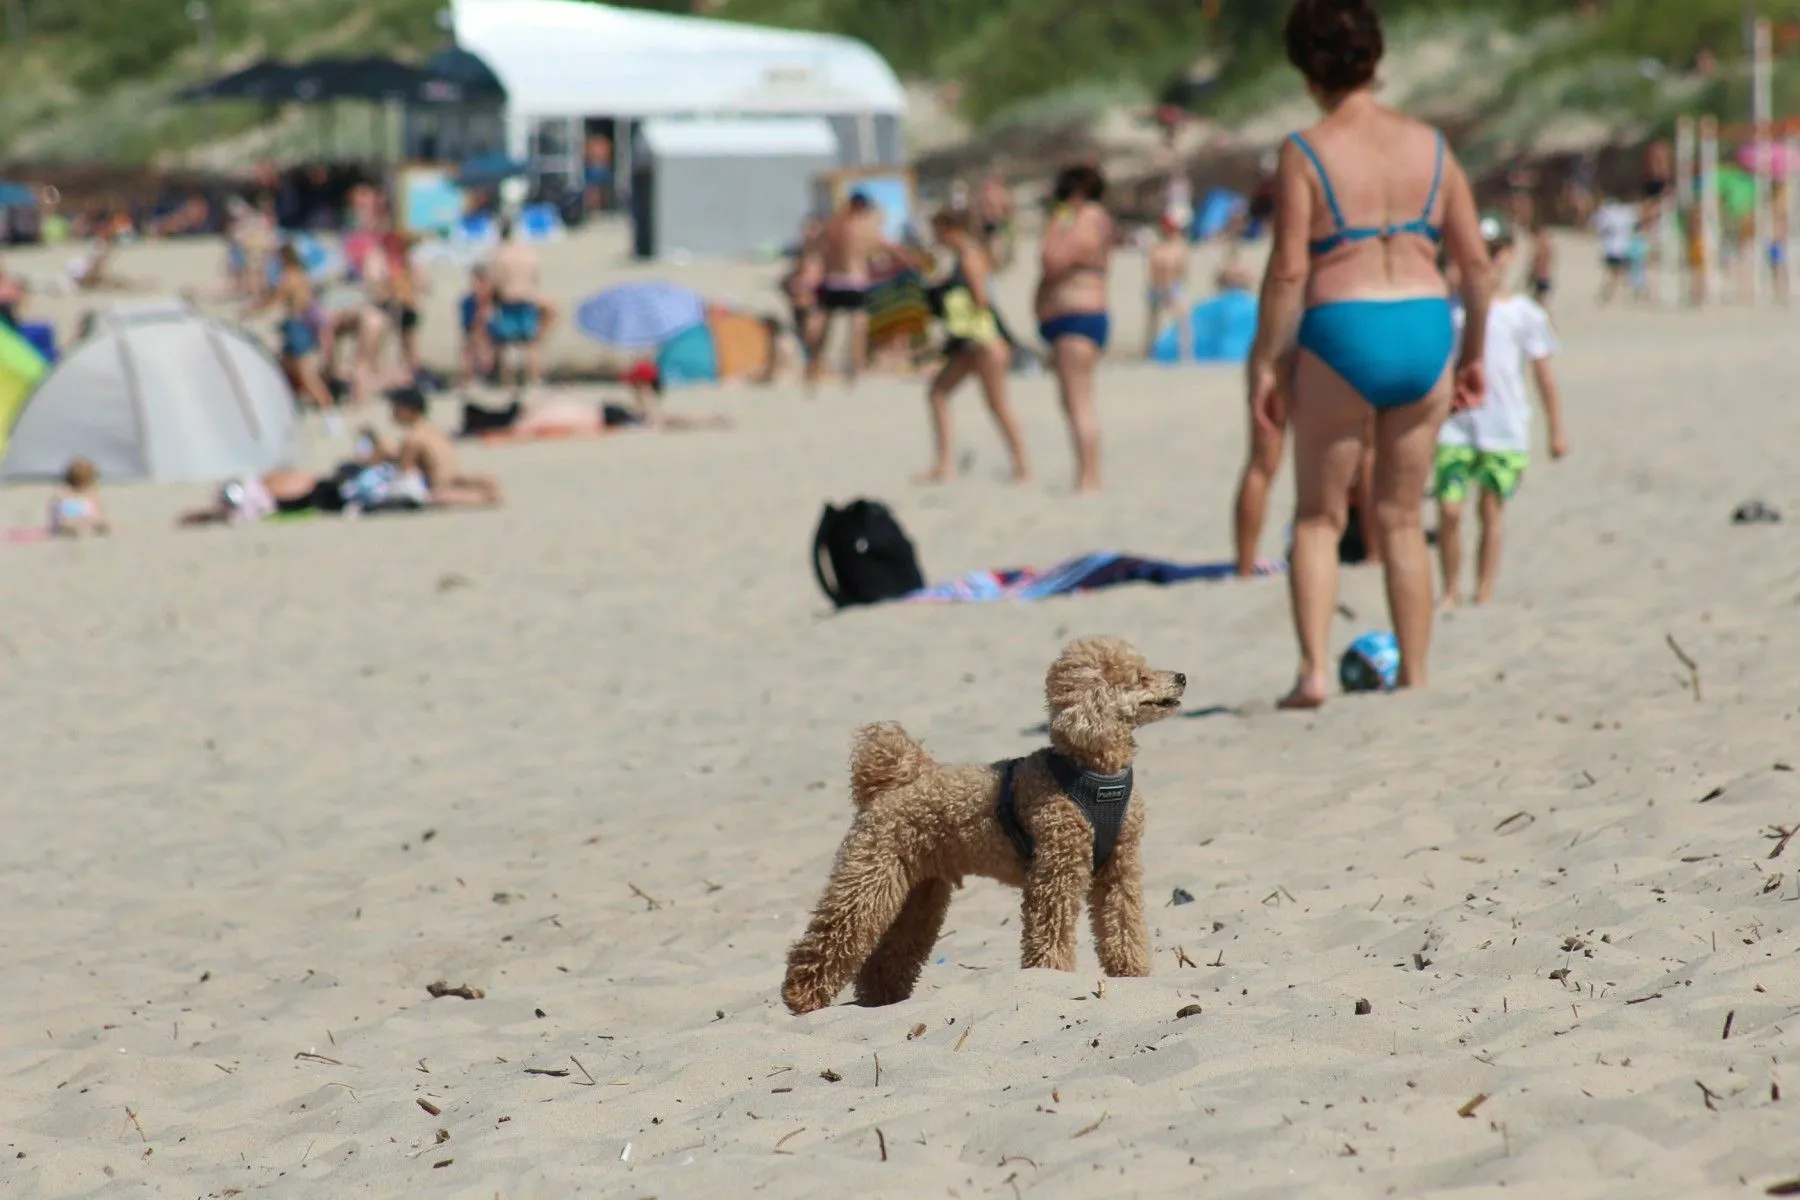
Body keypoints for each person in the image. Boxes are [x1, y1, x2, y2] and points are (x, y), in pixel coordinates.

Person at [1246, 0, 1492, 708]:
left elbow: (1288, 272)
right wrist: (1473, 355)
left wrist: (1267, 361)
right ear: (1375, 59)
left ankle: (1314, 674)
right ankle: (1414, 672)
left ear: (1305, 70)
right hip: (1424, 328)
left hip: (1343, 327)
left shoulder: (1306, 149)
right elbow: (1476, 267)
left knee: (1319, 518)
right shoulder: (1431, 145)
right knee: (1401, 516)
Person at [1435, 215, 1567, 609]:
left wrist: (1556, 429)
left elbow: (1544, 377)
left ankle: (1484, 589)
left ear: (1509, 255)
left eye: (1493, 252)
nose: (1485, 262)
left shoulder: (1525, 314)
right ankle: (1450, 589)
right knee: (1449, 510)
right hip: (1454, 427)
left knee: (1490, 510)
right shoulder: (1449, 309)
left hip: (1503, 427)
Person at [917, 208, 1031, 484]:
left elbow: (981, 300)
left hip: (983, 342)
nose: (935, 238)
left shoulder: (970, 256)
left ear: (949, 229)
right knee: (938, 393)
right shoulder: (963, 256)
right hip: (970, 343)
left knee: (997, 404)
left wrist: (951, 302)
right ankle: (944, 465)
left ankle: (1023, 466)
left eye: (937, 232)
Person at [1036, 163, 1114, 493]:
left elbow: (1053, 260)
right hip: (1070, 317)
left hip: (1077, 316)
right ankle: (1087, 473)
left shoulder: (1088, 218)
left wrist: (1055, 224)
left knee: (1078, 400)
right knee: (1074, 400)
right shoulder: (1092, 218)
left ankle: (1088, 476)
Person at [244, 244, 337, 419]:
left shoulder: (290, 277)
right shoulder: (301, 275)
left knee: (306, 374)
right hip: (301, 327)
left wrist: (251, 311)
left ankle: (328, 411)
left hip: (297, 328)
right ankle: (301, 406)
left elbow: (275, 300)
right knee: (285, 366)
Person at [808, 191, 886, 389]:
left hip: (832, 279)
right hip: (855, 279)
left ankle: (815, 364)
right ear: (861, 206)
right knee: (858, 324)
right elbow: (879, 249)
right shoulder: (862, 226)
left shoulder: (831, 224)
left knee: (826, 325)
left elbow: (814, 246)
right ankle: (855, 369)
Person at [379, 387, 502, 507]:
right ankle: (484, 489)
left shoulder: (413, 437)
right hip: (453, 477)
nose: (392, 412)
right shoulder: (434, 431)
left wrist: (388, 455)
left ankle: (483, 498)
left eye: (396, 408)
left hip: (439, 486)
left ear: (408, 410)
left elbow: (404, 470)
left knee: (434, 497)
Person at [488, 217, 544, 395]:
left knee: (507, 346)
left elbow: (495, 281)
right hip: (527, 298)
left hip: (508, 300)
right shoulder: (528, 253)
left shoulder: (499, 255)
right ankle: (534, 381)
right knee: (531, 344)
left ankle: (509, 384)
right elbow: (536, 278)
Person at [1146, 213, 1190, 357]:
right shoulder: (1157, 247)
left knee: (1182, 319)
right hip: (1158, 286)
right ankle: (1150, 350)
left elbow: (1182, 269)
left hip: (1172, 286)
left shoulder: (1178, 246)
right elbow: (1153, 269)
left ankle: (1185, 352)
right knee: (1154, 322)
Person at [1593, 196, 1637, 305]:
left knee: (1614, 274)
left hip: (1609, 248)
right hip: (1620, 249)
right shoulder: (1626, 212)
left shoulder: (1605, 213)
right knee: (1616, 274)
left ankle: (1606, 293)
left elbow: (1597, 228)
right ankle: (1606, 294)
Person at [49, 459, 109, 537]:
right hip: (83, 518)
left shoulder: (62, 492)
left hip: (68, 518)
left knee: (66, 522)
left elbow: (54, 511)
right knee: (95, 521)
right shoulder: (91, 493)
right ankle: (72, 527)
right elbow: (97, 511)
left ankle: (68, 527)